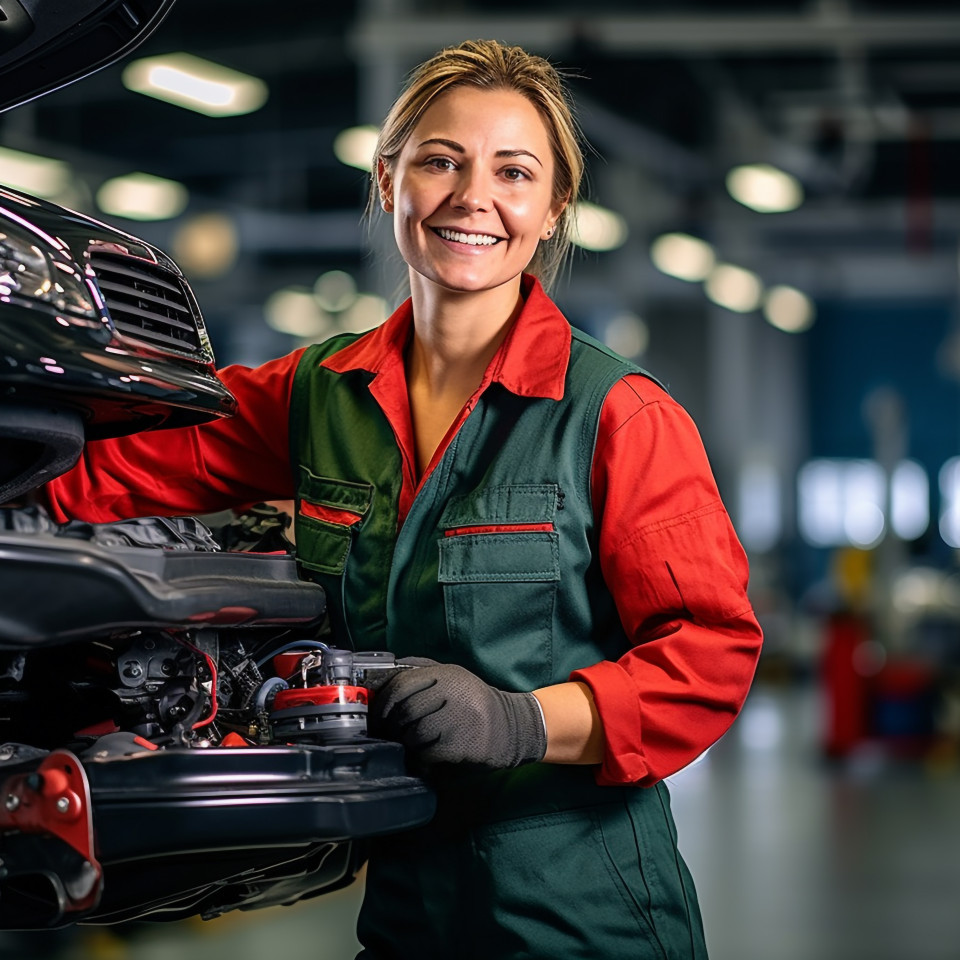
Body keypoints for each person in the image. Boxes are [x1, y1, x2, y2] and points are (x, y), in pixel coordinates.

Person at [45, 39, 762, 960]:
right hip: (405, 904)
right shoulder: (316, 395)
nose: (474, 197)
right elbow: (104, 471)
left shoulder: (618, 416)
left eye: (514, 172)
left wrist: (521, 719)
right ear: (388, 183)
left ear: (552, 211)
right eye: (439, 161)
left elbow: (708, 658)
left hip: (584, 912)